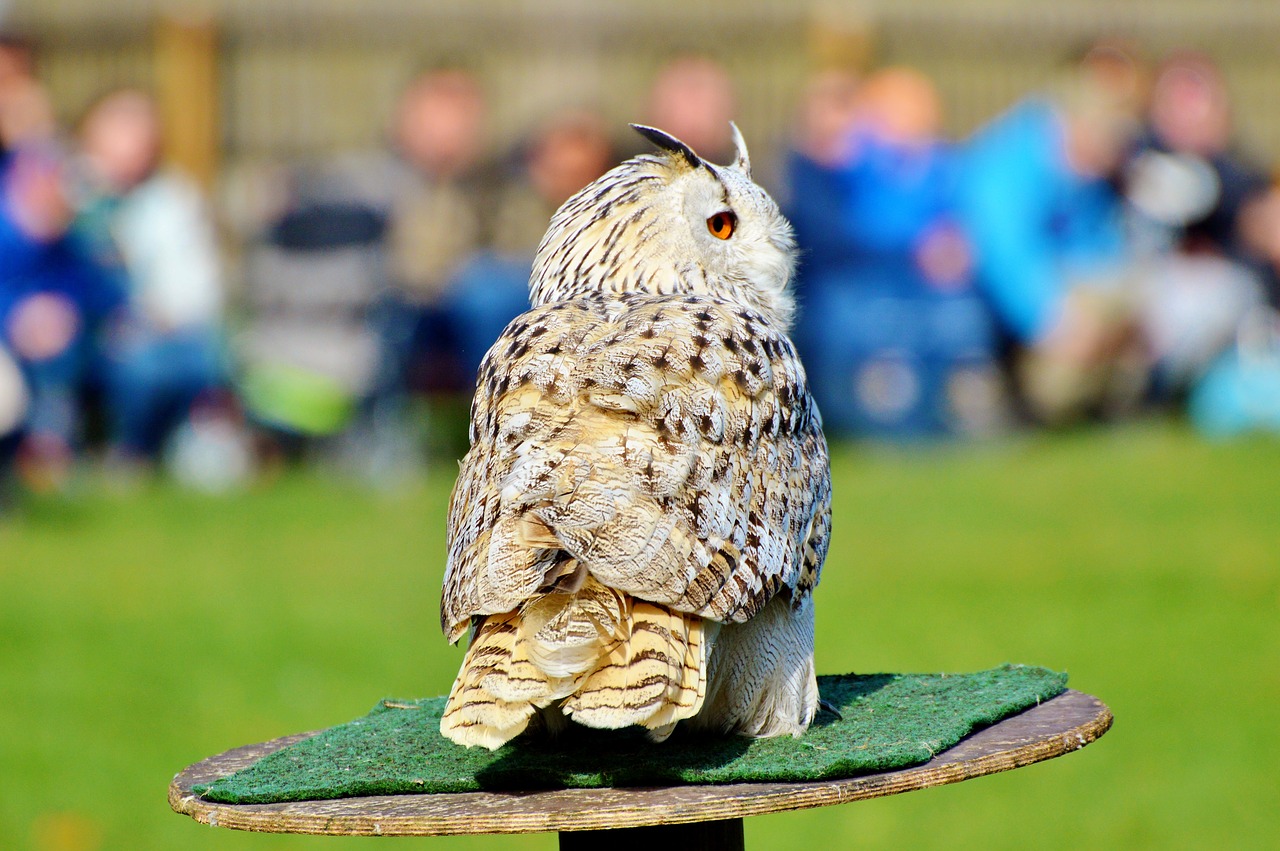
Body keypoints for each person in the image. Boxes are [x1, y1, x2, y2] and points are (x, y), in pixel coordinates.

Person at [786, 67, 1005, 438]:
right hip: (874, 282)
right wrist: (918, 243)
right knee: (872, 323)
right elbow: (851, 224)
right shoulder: (856, 161)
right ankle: (889, 399)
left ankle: (964, 390)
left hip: (929, 283)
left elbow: (960, 217)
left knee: (960, 315)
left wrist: (953, 242)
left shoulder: (940, 165)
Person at [957, 65, 1146, 425]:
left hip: (1068, 288)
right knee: (1059, 384)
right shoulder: (1008, 165)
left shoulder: (1086, 170)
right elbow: (1002, 250)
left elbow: (1101, 243)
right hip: (1000, 306)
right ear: (1079, 126)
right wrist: (1051, 316)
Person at [74, 88, 226, 466]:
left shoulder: (173, 198)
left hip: (165, 327)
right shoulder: (69, 195)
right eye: (120, 128)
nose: (132, 142)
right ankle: (126, 451)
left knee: (205, 356)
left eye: (142, 131)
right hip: (89, 330)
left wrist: (164, 315)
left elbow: (199, 285)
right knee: (139, 363)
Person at [0, 33, 120, 491]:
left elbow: (82, 264)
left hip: (57, 318)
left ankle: (51, 455)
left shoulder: (59, 175)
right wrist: (15, 316)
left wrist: (62, 306)